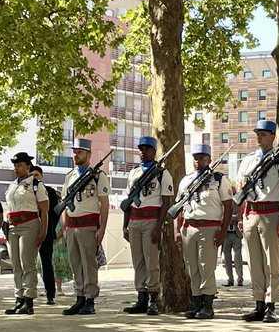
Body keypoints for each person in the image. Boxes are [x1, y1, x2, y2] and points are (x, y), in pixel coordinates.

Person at [237, 119, 279, 323]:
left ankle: (271, 304)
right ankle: (258, 303)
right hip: (251, 214)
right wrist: (241, 215)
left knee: (271, 262)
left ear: (272, 137)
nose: (259, 137)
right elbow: (241, 189)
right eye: (258, 134)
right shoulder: (248, 160)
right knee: (254, 263)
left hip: (271, 213)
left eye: (263, 134)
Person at [174, 143, 233, 319]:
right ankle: (197, 303)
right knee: (192, 267)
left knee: (207, 267)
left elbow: (228, 207)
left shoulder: (219, 179)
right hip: (189, 227)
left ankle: (208, 305)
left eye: (202, 158)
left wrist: (223, 231)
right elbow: (178, 207)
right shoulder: (186, 180)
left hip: (210, 227)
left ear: (209, 159)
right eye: (195, 158)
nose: (198, 161)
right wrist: (177, 230)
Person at [122, 136, 174, 316]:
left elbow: (166, 203)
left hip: (151, 219)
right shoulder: (134, 173)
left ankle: (153, 298)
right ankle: (141, 297)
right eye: (141, 149)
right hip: (135, 220)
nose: (143, 152)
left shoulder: (161, 173)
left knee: (152, 261)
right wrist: (124, 225)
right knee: (138, 261)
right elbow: (128, 201)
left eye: (146, 149)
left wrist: (158, 227)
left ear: (154, 151)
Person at [60, 137, 110, 316]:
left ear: (88, 154)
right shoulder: (70, 176)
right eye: (74, 151)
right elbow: (65, 203)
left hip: (89, 225)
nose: (76, 154)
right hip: (72, 226)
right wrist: (65, 227)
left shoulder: (98, 176)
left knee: (89, 264)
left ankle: (90, 299)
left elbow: (104, 204)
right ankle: (79, 297)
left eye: (79, 152)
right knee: (76, 264)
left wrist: (102, 228)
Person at [0, 153, 49, 314]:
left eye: (20, 165)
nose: (16, 168)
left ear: (28, 166)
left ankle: (29, 300)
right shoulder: (12, 185)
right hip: (13, 226)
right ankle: (19, 298)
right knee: (15, 264)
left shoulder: (35, 184)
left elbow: (44, 210)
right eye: (15, 165)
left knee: (27, 262)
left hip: (29, 224)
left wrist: (43, 231)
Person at [31, 166, 61, 304]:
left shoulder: (49, 192)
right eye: (32, 175)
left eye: (37, 174)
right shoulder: (26, 191)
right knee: (27, 262)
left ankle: (50, 293)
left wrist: (50, 230)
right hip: (30, 230)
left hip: (47, 231)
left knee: (46, 262)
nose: (35, 177)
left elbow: (55, 213)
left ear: (41, 176)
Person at [222, 207, 244, 287]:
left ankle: (240, 278)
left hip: (236, 234)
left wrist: (229, 218)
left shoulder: (238, 202)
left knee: (238, 257)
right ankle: (230, 279)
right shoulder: (223, 203)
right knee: (227, 259)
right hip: (226, 235)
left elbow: (240, 215)